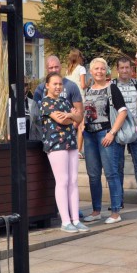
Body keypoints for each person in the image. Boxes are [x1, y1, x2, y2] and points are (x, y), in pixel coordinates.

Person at [81, 58, 129, 224]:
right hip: (89, 135)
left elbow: (123, 112)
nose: (99, 71)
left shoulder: (112, 88)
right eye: (96, 69)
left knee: (111, 173)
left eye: (102, 69)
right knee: (93, 175)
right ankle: (96, 211)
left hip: (106, 134)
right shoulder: (88, 90)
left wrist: (112, 132)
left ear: (106, 71)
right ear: (91, 72)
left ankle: (116, 212)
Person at [38, 72, 87, 233]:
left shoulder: (64, 101)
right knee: (63, 181)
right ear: (47, 86)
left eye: (60, 84)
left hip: (71, 143)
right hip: (56, 144)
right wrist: (72, 116)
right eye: (55, 84)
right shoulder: (46, 102)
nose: (58, 87)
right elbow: (62, 120)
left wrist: (72, 115)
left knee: (73, 180)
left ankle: (75, 219)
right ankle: (65, 221)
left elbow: (79, 118)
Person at [112, 55, 137, 208]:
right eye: (121, 68)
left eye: (127, 68)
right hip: (119, 130)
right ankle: (119, 200)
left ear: (131, 69)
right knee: (118, 167)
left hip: (135, 129)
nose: (124, 71)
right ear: (117, 70)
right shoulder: (112, 85)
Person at [32, 55, 84, 128]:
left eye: (56, 67)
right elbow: (35, 113)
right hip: (50, 134)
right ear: (46, 69)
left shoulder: (71, 86)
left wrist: (72, 127)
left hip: (69, 134)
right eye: (51, 68)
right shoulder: (41, 89)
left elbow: (79, 112)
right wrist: (72, 116)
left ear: (60, 67)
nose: (54, 70)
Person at [66, 48, 87, 155]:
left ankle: (68, 145)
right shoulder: (81, 69)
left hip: (69, 99)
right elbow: (83, 85)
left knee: (70, 123)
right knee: (80, 126)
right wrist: (90, 82)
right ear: (78, 57)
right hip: (80, 99)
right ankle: (78, 150)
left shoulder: (68, 70)